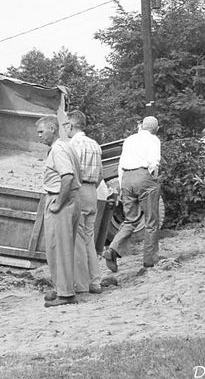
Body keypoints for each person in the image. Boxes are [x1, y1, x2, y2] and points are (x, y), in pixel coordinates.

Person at [103, 116, 161, 272]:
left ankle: (113, 249)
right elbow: (154, 162)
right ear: (156, 129)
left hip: (127, 178)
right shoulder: (154, 140)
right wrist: (153, 178)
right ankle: (149, 261)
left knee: (130, 220)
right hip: (144, 177)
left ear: (141, 126)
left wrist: (122, 186)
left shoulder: (129, 140)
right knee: (151, 221)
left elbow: (121, 164)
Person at [36, 116, 82, 308]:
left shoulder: (58, 149)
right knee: (59, 247)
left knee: (59, 248)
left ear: (53, 129)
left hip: (61, 199)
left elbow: (67, 176)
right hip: (68, 198)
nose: (39, 136)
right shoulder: (65, 146)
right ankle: (62, 287)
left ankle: (65, 294)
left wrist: (58, 203)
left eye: (41, 131)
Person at [65, 110, 103, 294]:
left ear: (71, 125)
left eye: (66, 125)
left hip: (78, 190)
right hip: (92, 192)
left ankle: (80, 284)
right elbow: (101, 174)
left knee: (77, 239)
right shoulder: (95, 144)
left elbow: (70, 173)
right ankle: (95, 281)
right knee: (89, 238)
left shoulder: (71, 145)